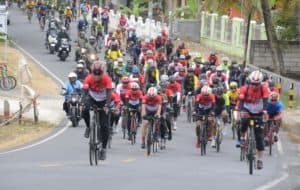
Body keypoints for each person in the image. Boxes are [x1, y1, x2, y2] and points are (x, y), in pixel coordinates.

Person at [237, 70, 269, 170]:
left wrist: (264, 111)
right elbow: (241, 102)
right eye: (253, 84)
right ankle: (242, 138)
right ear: (249, 82)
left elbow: (265, 101)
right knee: (243, 123)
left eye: (257, 84)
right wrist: (240, 112)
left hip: (258, 111)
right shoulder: (244, 89)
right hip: (247, 109)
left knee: (259, 137)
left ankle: (260, 160)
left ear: (261, 83)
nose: (255, 86)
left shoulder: (264, 89)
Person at [82, 61, 112, 160]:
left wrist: (107, 105)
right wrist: (84, 103)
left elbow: (109, 94)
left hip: (103, 100)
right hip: (92, 98)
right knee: (84, 109)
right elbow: (85, 94)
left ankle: (103, 149)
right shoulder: (88, 79)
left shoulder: (107, 79)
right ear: (92, 72)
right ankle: (88, 127)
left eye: (99, 74)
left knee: (104, 126)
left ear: (102, 73)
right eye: (95, 73)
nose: (96, 76)